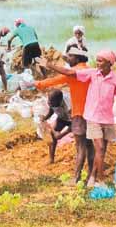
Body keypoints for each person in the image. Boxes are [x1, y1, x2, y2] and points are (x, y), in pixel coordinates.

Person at [44, 50, 116, 188]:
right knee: (98, 147)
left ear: (109, 63)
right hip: (92, 117)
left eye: (100, 61)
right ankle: (100, 180)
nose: (97, 63)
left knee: (101, 150)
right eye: (97, 60)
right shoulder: (92, 73)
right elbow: (69, 73)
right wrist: (50, 65)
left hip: (107, 119)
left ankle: (92, 176)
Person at [36, 46, 94, 184]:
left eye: (70, 57)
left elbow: (56, 79)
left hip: (79, 114)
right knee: (90, 146)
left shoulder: (74, 73)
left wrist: (38, 83)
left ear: (78, 58)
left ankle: (76, 178)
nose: (68, 59)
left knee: (80, 147)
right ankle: (91, 176)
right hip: (92, 114)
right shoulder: (91, 70)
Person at [39, 89, 72, 164]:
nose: (49, 103)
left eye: (51, 102)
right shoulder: (52, 101)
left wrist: (62, 134)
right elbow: (52, 110)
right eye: (49, 101)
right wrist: (45, 117)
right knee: (52, 136)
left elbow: (74, 125)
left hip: (74, 121)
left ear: (60, 101)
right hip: (62, 117)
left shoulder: (69, 106)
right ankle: (51, 159)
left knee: (81, 141)